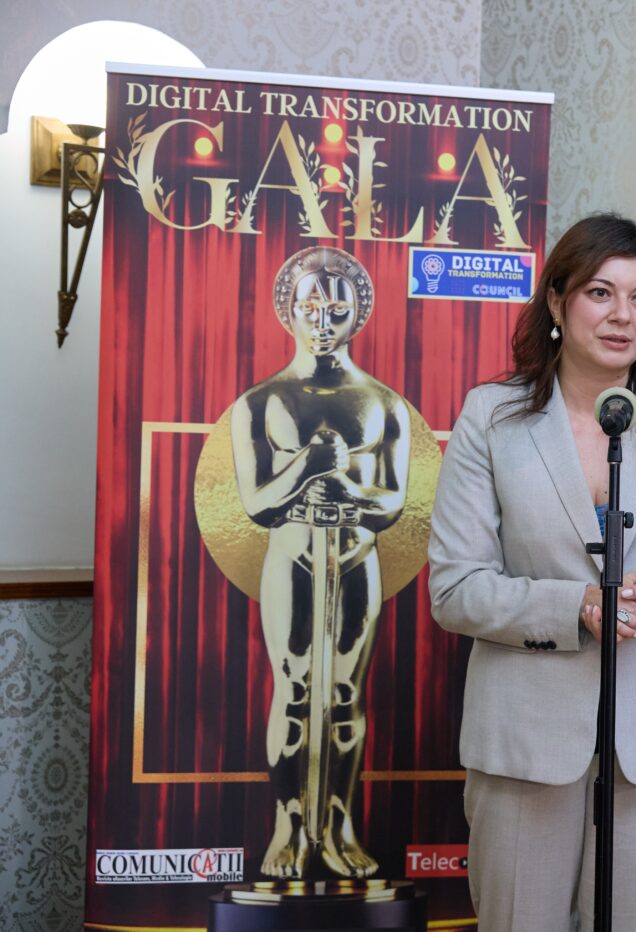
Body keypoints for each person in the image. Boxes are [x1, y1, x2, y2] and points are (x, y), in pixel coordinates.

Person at [427, 214, 636, 931]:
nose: (623, 316)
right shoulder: (492, 417)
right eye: (601, 293)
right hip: (525, 740)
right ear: (557, 301)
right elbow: (455, 589)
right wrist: (574, 605)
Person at [231, 246, 411, 879]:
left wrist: (349, 490)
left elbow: (392, 503)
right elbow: (256, 504)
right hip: (293, 554)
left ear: (358, 312)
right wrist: (308, 465)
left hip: (357, 556)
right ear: (289, 310)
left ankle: (338, 823)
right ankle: (288, 823)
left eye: (337, 308)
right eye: (311, 306)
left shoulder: (384, 404)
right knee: (294, 687)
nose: (324, 320)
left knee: (344, 693)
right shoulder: (261, 402)